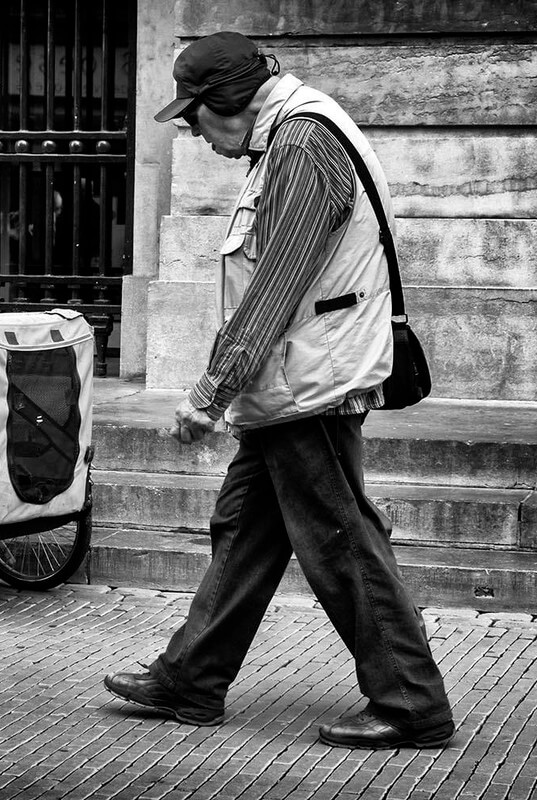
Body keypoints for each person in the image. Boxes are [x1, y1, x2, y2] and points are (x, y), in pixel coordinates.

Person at [103, 32, 454, 750]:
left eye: (193, 117)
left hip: (309, 385)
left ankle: (412, 703)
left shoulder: (299, 146)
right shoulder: (293, 137)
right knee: (246, 528)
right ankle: (192, 678)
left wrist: (208, 392)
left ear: (225, 104)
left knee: (340, 542)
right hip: (295, 382)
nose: (194, 136)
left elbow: (274, 291)